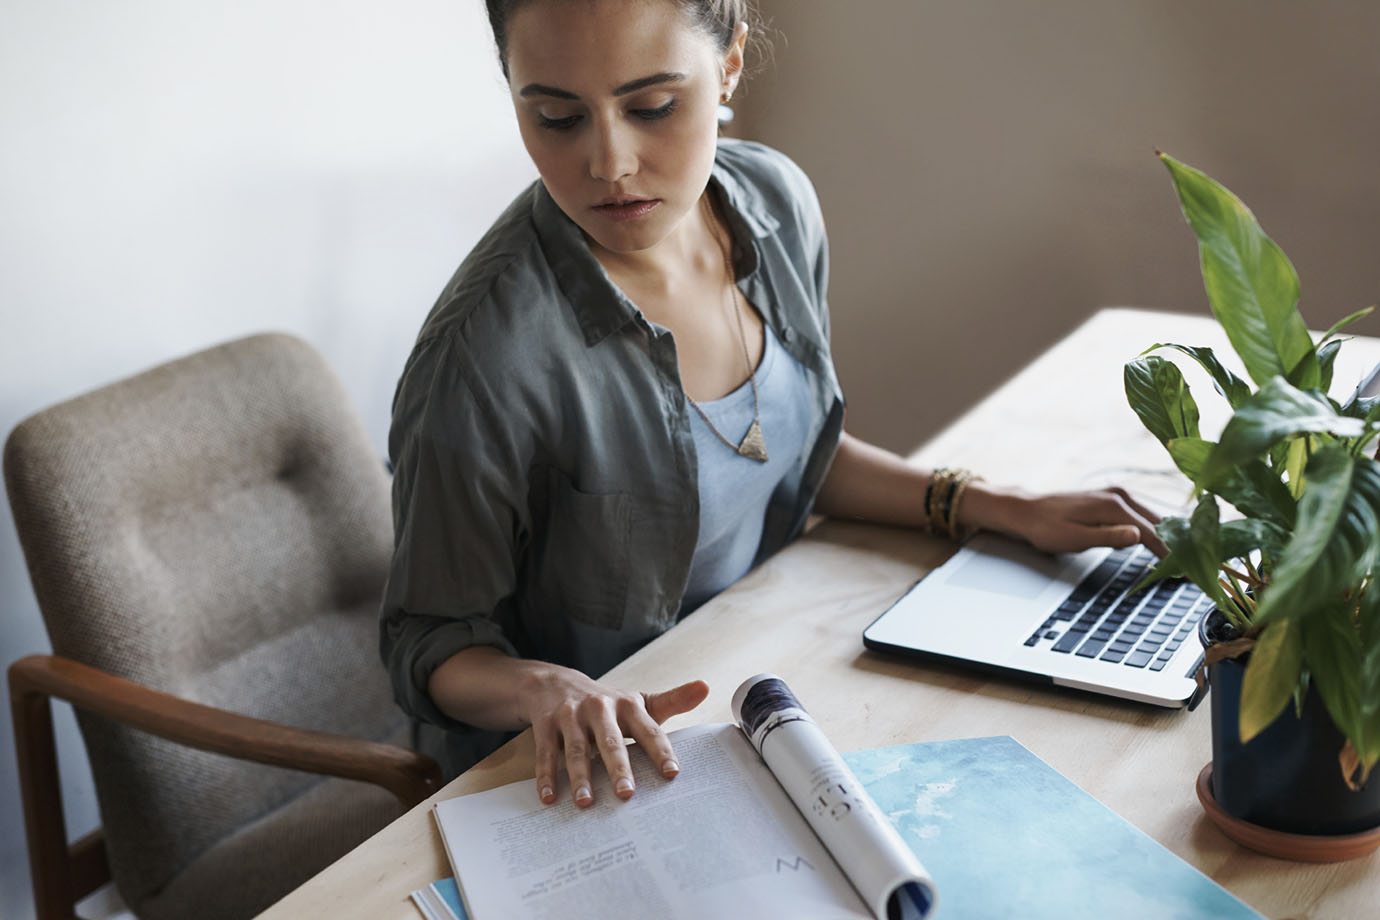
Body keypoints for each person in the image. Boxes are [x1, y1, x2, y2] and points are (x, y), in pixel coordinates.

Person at [380, 0, 1163, 809]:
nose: (610, 163)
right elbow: (430, 641)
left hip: (766, 683)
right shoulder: (481, 361)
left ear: (730, 65)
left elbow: (799, 453)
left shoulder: (775, 202)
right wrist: (552, 689)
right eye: (555, 117)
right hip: (584, 780)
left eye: (653, 107)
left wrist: (990, 505)